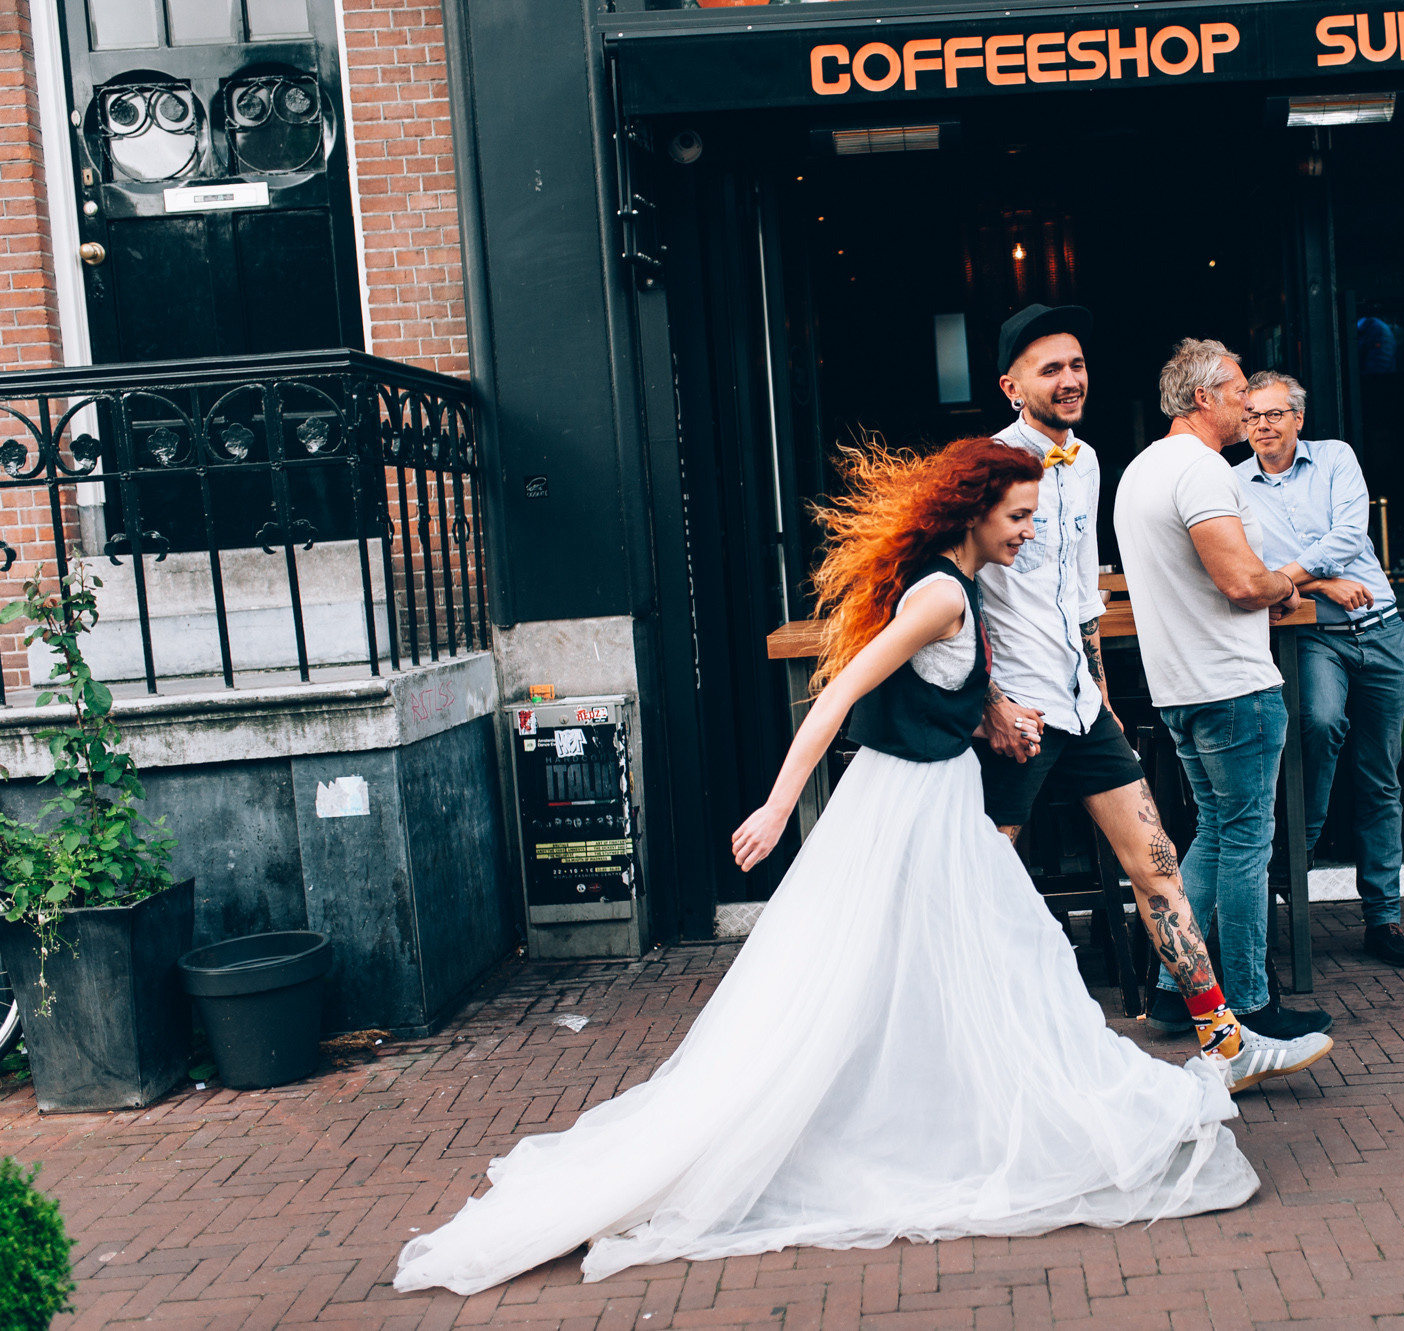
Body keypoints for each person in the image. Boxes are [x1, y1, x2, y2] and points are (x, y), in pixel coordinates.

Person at [395, 437, 1330, 1297]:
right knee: (943, 965)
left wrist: (986, 711)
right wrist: (772, 802)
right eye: (1017, 517)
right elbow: (838, 691)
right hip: (910, 808)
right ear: (973, 514)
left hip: (928, 802)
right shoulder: (943, 593)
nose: (1030, 530)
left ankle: (980, 1102)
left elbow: (935, 686)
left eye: (1034, 515)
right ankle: (976, 1116)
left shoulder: (952, 587)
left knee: (977, 960)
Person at [978, 304, 1330, 1043]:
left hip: (1081, 703)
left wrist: (1099, 684)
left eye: (1076, 364)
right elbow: (959, 587)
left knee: (1160, 863)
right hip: (1022, 710)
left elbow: (1080, 590)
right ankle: (968, 1029)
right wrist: (992, 699)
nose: (1071, 379)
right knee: (984, 872)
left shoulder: (1093, 460)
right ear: (1012, 385)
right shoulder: (986, 467)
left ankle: (1223, 1035)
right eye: (1051, 369)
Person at [1114, 339, 1326, 1043]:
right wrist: (1287, 581)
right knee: (1246, 843)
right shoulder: (1202, 471)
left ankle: (1179, 993)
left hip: (1177, 685)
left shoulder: (1139, 471)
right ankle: (1251, 1001)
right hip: (1233, 684)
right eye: (1237, 390)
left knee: (1213, 831)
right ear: (1202, 397)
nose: (1247, 402)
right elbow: (1241, 584)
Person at [1236, 372, 1404, 969]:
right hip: (1315, 637)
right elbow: (1248, 566)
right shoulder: (1232, 484)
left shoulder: (1336, 458)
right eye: (1252, 416)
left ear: (1297, 419)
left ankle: (1383, 919)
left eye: (1273, 414)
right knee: (1318, 725)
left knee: (1379, 777)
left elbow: (1349, 533)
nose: (1262, 424)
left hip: (1385, 633)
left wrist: (1297, 578)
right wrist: (1322, 583)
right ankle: (1296, 863)